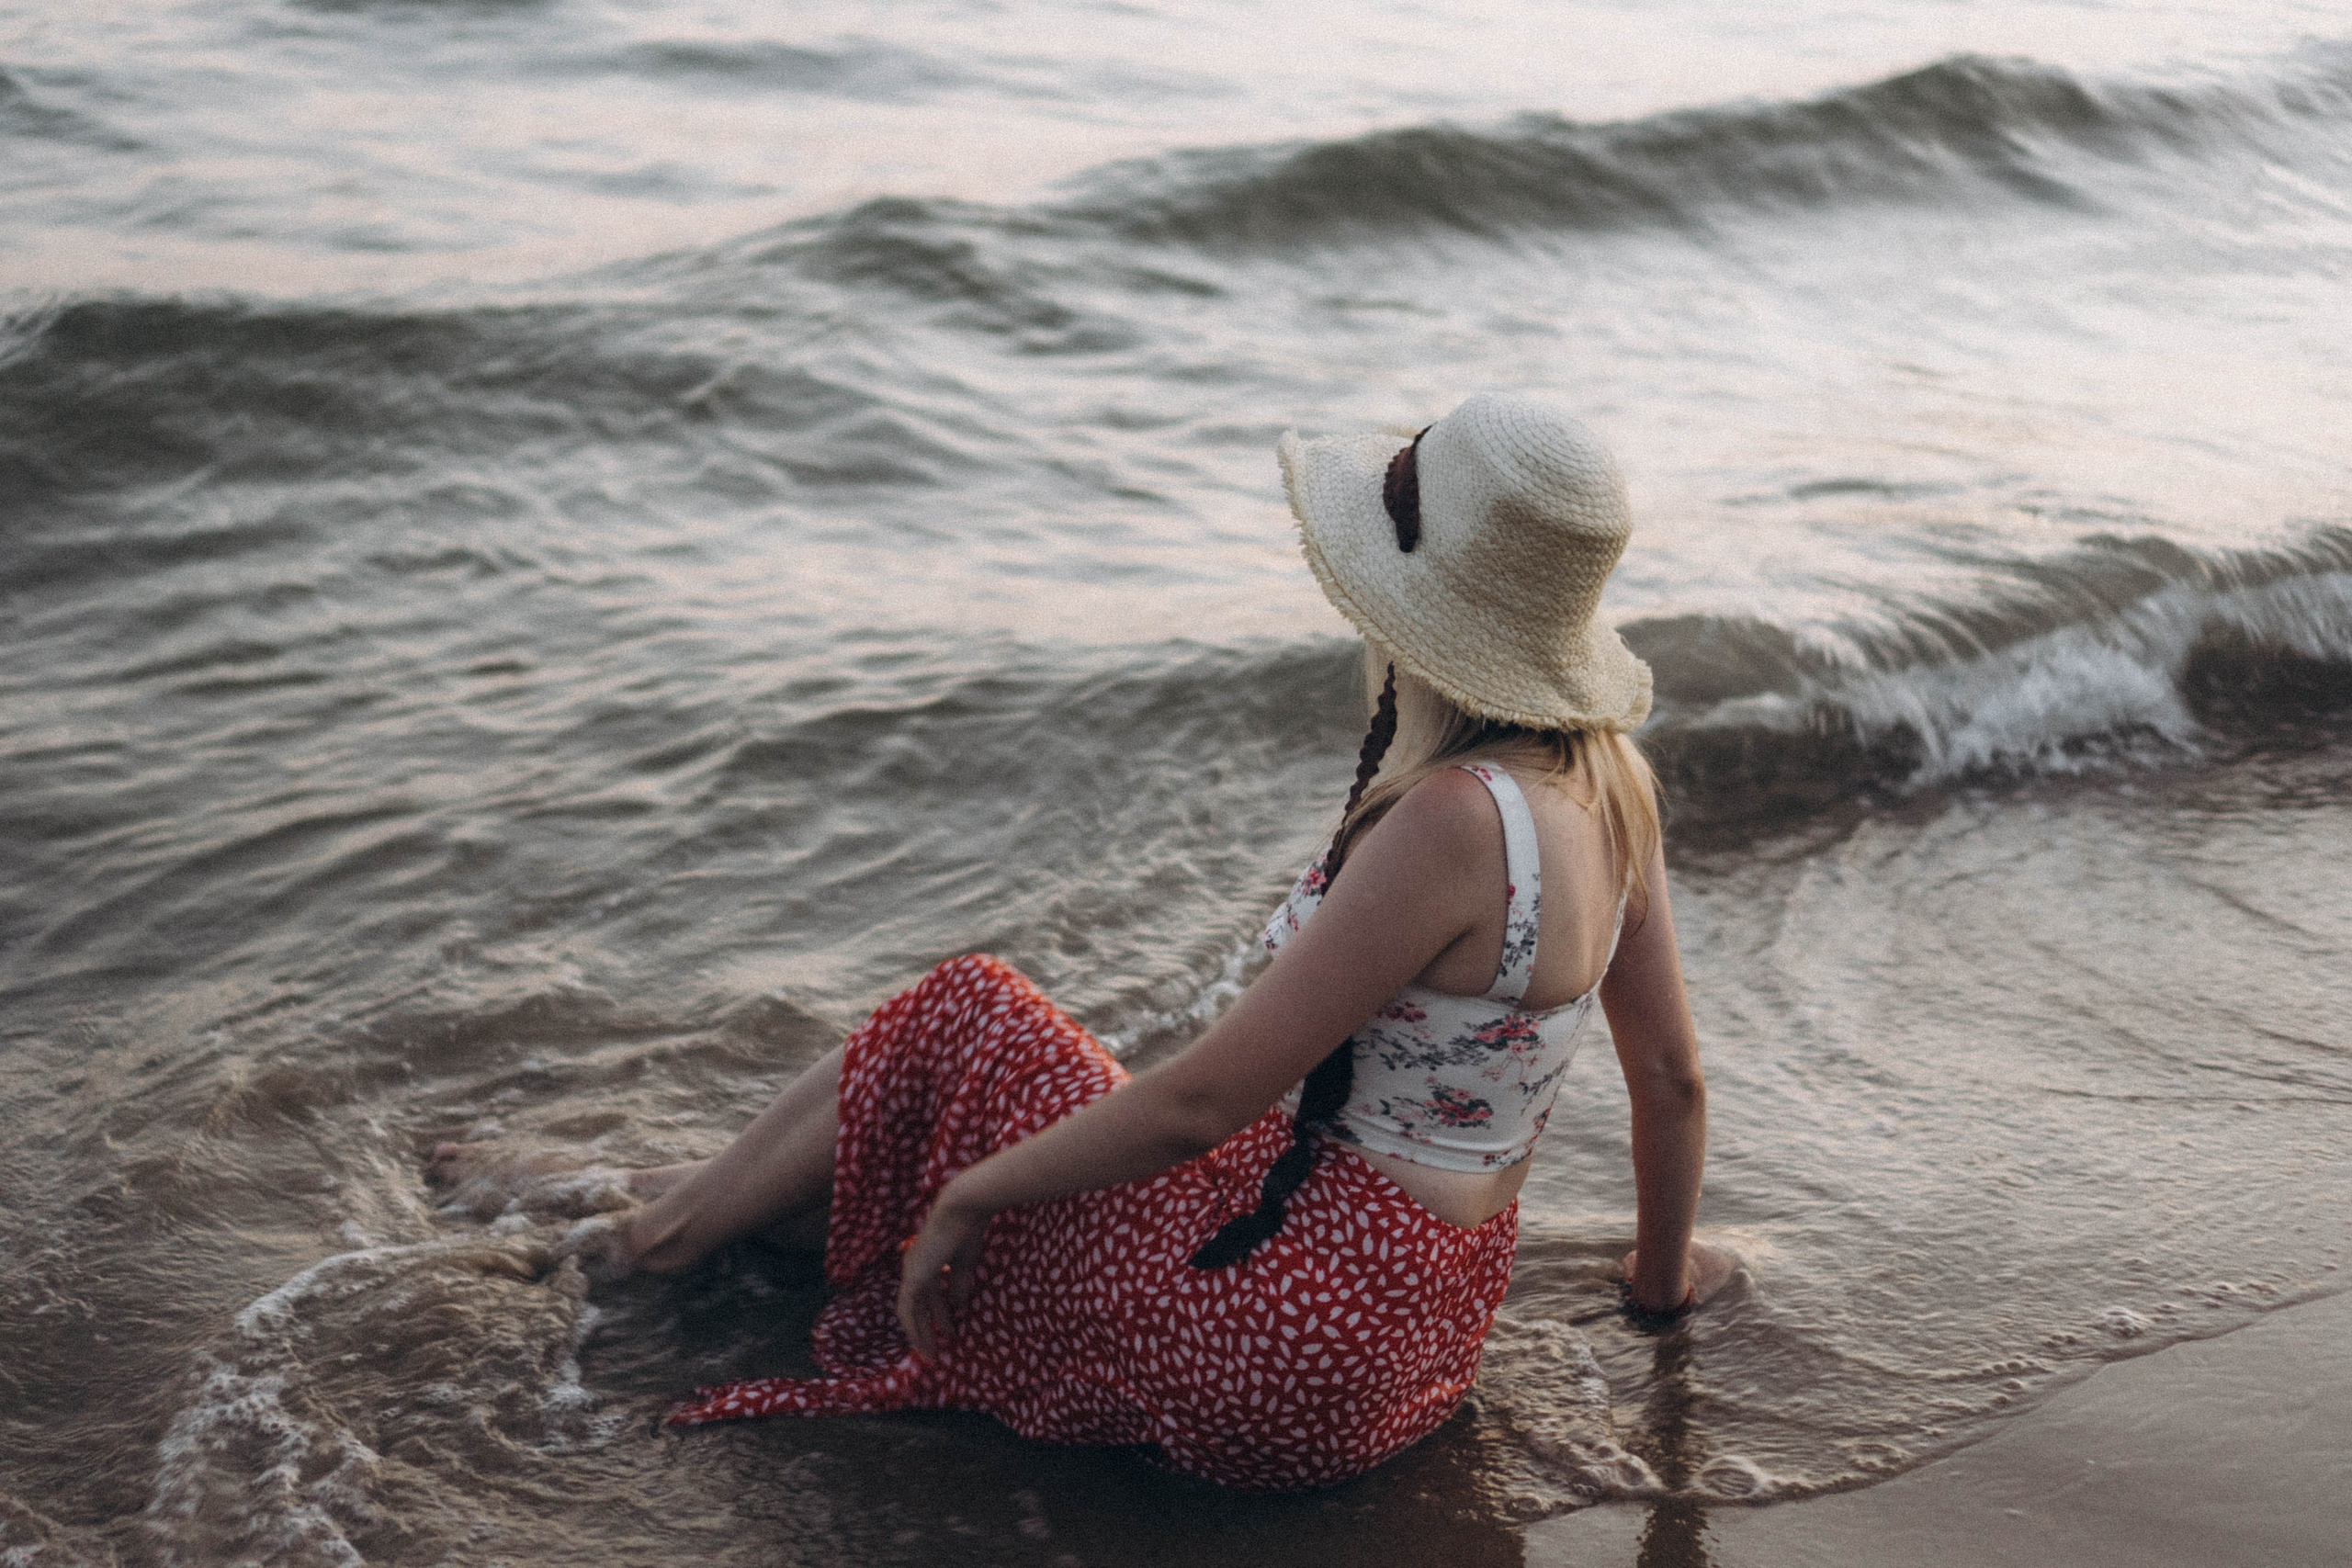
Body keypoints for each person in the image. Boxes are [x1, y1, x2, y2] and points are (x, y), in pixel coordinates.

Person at [429, 390, 1734, 1494]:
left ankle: (646, 1238)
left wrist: (972, 1197)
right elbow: (1671, 1080)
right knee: (955, 1121)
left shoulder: (1453, 820)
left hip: (1280, 1350)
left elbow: (1203, 1104)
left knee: (970, 1016)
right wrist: (1660, 1288)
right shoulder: (1611, 795)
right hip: (1416, 1353)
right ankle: (663, 1196)